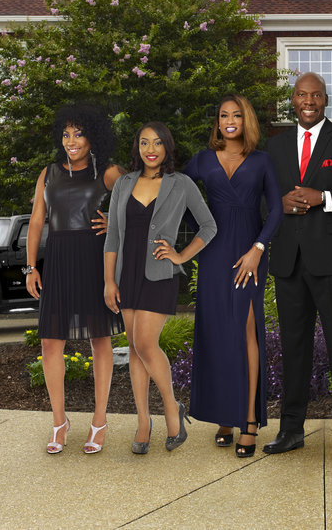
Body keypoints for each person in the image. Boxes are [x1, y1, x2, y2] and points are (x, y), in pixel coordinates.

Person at [264, 72, 332, 459]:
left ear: (326, 100)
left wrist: (323, 197)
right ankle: (291, 429)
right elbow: (265, 198)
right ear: (292, 100)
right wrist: (282, 202)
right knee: (294, 348)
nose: (308, 101)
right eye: (301, 95)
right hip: (289, 261)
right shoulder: (273, 148)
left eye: (315, 95)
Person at [103, 122, 217, 454]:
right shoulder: (123, 184)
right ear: (137, 148)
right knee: (136, 350)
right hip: (126, 274)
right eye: (143, 143)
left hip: (160, 274)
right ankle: (142, 421)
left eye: (156, 143)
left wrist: (181, 254)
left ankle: (171, 407)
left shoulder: (180, 184)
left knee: (144, 343)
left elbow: (209, 225)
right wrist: (109, 280)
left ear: (166, 147)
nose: (150, 149)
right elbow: (112, 237)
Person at [183, 94, 282, 457]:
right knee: (218, 333)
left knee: (246, 330)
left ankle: (250, 419)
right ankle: (225, 415)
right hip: (213, 254)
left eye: (236, 115)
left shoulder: (261, 161)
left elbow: (275, 212)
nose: (229, 120)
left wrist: (258, 249)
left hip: (248, 253)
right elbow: (179, 196)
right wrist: (200, 231)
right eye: (223, 115)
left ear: (246, 120)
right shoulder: (201, 160)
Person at [24, 104, 124, 454]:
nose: (71, 141)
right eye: (66, 134)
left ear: (92, 136)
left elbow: (141, 203)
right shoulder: (49, 173)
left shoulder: (108, 172)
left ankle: (99, 421)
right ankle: (59, 422)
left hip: (94, 259)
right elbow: (37, 221)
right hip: (59, 261)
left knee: (100, 340)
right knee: (50, 342)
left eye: (78, 133)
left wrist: (115, 224)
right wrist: (30, 266)